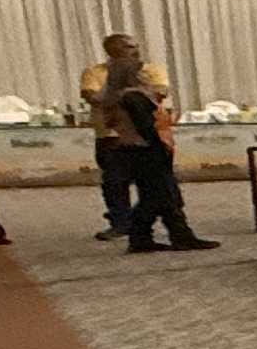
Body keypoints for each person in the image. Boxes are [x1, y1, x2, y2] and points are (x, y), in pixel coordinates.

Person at [95, 61, 214, 253]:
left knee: (160, 195)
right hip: (147, 150)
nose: (147, 77)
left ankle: (169, 235)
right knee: (160, 196)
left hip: (135, 149)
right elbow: (146, 126)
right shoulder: (133, 97)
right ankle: (149, 235)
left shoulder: (116, 98)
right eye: (141, 74)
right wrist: (160, 147)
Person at [78, 33, 168, 239]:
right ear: (112, 50)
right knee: (114, 183)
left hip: (148, 135)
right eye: (128, 47)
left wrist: (119, 95)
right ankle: (120, 222)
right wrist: (127, 94)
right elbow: (92, 97)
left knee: (153, 183)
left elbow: (160, 93)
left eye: (134, 46)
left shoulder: (150, 70)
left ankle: (141, 224)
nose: (135, 50)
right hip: (110, 136)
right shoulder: (95, 72)